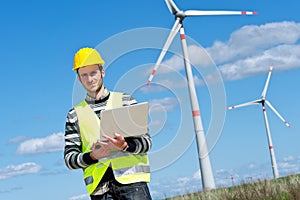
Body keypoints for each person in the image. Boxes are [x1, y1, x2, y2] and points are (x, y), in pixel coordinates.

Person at [64, 47, 152, 200]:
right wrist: (92, 156)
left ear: (102, 72)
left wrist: (125, 145)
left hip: (132, 183)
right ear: (78, 78)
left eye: (93, 73)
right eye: (84, 75)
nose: (90, 79)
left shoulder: (126, 101)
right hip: (100, 191)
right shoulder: (74, 115)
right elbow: (69, 159)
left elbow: (147, 142)